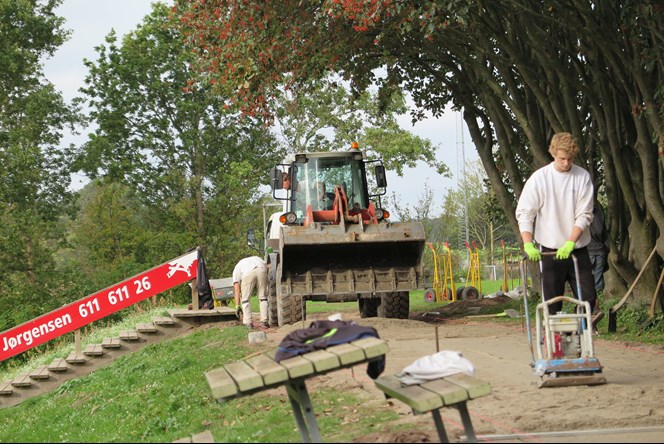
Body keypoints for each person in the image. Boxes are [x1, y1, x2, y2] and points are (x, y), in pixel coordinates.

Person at [516, 132, 603, 327]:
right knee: (552, 302)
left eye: (570, 159)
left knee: (588, 298)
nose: (566, 163)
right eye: (562, 159)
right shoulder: (540, 179)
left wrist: (570, 242)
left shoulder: (582, 177)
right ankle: (554, 340)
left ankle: (579, 334)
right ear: (553, 153)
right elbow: (525, 213)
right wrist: (528, 244)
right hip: (549, 249)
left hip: (577, 248)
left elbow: (585, 214)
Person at [232, 256, 269, 329]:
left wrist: (237, 306)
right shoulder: (257, 258)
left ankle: (248, 323)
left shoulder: (237, 267)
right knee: (263, 297)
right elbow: (267, 267)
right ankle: (264, 322)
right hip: (262, 270)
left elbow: (236, 289)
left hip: (247, 273)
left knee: (245, 299)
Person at [588, 203, 610, 303]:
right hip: (600, 251)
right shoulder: (599, 212)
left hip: (587, 252)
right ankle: (597, 304)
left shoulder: (579, 213)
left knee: (586, 281)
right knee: (597, 283)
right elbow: (604, 234)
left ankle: (590, 305)